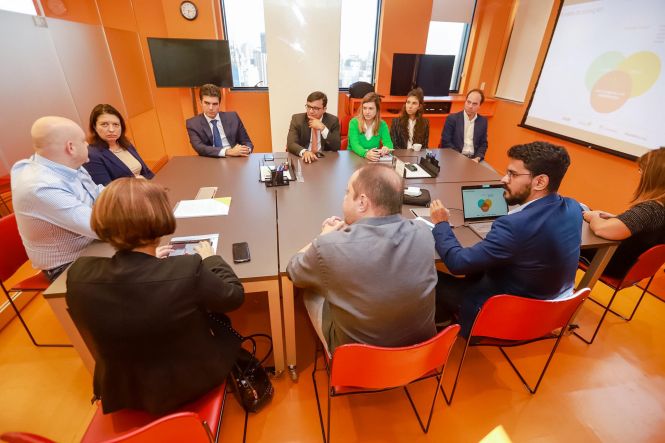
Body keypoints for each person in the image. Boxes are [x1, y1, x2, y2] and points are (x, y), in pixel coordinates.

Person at [65, 178, 244, 415]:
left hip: (121, 389)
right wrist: (211, 259)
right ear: (161, 218)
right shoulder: (188, 269)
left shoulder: (78, 274)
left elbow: (127, 295)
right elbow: (233, 296)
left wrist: (146, 262)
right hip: (189, 382)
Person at [430, 141, 582, 337]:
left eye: (513, 174)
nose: (503, 179)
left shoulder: (514, 226)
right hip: (549, 314)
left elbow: (458, 263)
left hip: (504, 315)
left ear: (540, 182)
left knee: (430, 275)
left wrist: (441, 223)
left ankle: (445, 323)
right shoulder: (574, 208)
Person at [287, 164, 436, 353]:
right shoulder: (424, 233)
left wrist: (322, 237)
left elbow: (293, 271)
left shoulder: (328, 247)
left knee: (310, 287)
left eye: (347, 192)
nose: (344, 197)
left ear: (362, 202)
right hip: (419, 354)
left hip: (359, 363)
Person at [11, 116, 103, 281]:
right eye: (83, 141)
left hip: (93, 244)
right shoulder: (40, 187)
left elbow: (97, 193)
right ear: (71, 147)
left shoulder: (67, 164)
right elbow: (100, 227)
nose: (87, 145)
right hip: (69, 264)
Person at [582, 147, 665, 278]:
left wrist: (593, 216)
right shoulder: (660, 208)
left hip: (611, 263)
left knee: (560, 239)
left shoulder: (651, 210)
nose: (640, 174)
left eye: (641, 170)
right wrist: (617, 219)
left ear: (652, 177)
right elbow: (646, 230)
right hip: (633, 268)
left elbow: (601, 229)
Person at [84, 104, 154, 186]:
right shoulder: (92, 155)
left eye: (116, 124)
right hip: (128, 197)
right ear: (94, 127)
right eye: (104, 124)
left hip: (147, 190)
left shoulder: (126, 144)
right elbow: (107, 192)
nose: (111, 129)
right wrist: (136, 182)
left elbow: (147, 172)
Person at [186, 83, 253, 157]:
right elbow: (200, 148)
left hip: (235, 158)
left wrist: (245, 150)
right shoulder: (192, 123)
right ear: (201, 102)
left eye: (215, 104)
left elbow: (247, 142)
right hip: (210, 160)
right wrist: (228, 152)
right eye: (207, 103)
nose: (211, 108)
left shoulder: (233, 117)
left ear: (219, 104)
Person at [286, 91, 340, 164]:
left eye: (315, 108)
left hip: (324, 160)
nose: (311, 111)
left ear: (324, 109)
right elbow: (291, 144)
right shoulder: (297, 119)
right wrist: (304, 152)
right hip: (304, 159)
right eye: (308, 107)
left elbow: (336, 146)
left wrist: (323, 128)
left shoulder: (333, 120)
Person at [439, 88, 488, 162]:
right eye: (468, 102)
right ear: (465, 102)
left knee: (491, 173)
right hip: (455, 157)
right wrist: (461, 158)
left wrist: (477, 158)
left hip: (474, 159)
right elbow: (446, 142)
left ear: (479, 106)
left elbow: (483, 144)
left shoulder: (483, 121)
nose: (470, 106)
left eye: (474, 104)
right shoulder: (452, 119)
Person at [348, 92, 394, 161]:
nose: (367, 112)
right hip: (354, 157)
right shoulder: (354, 122)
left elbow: (389, 144)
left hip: (373, 159)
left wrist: (386, 148)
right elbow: (355, 145)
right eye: (364, 108)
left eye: (371, 108)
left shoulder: (382, 124)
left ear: (377, 110)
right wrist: (365, 154)